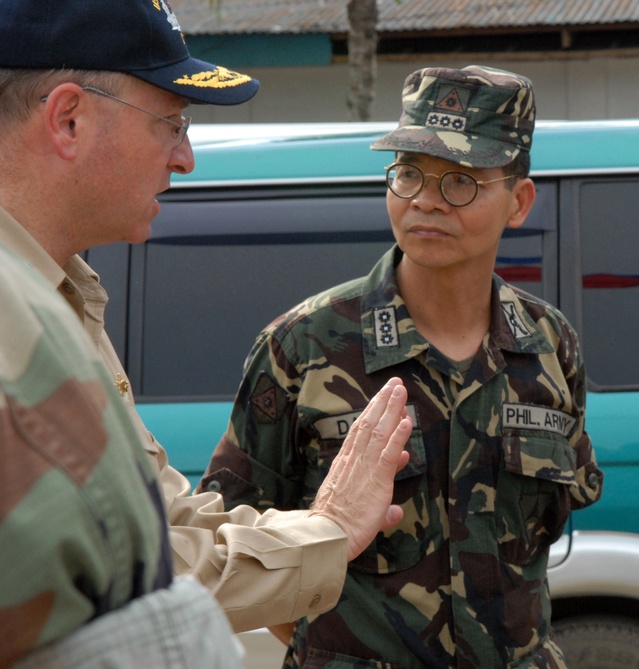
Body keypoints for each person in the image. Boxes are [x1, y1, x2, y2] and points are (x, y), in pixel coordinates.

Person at [0, 0, 414, 637]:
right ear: (68, 120)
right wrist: (326, 533)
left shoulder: (55, 291)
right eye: (171, 123)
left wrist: (326, 529)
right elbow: (118, 571)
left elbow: (154, 523)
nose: (185, 158)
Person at [198, 65, 604, 667]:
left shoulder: (549, 344)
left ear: (518, 201)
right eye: (409, 173)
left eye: (460, 181)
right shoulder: (304, 346)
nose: (425, 201)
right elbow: (231, 539)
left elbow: (543, 535)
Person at [0, 240, 241, 668]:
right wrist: (326, 536)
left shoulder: (70, 293)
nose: (184, 167)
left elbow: (159, 521)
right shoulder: (22, 307)